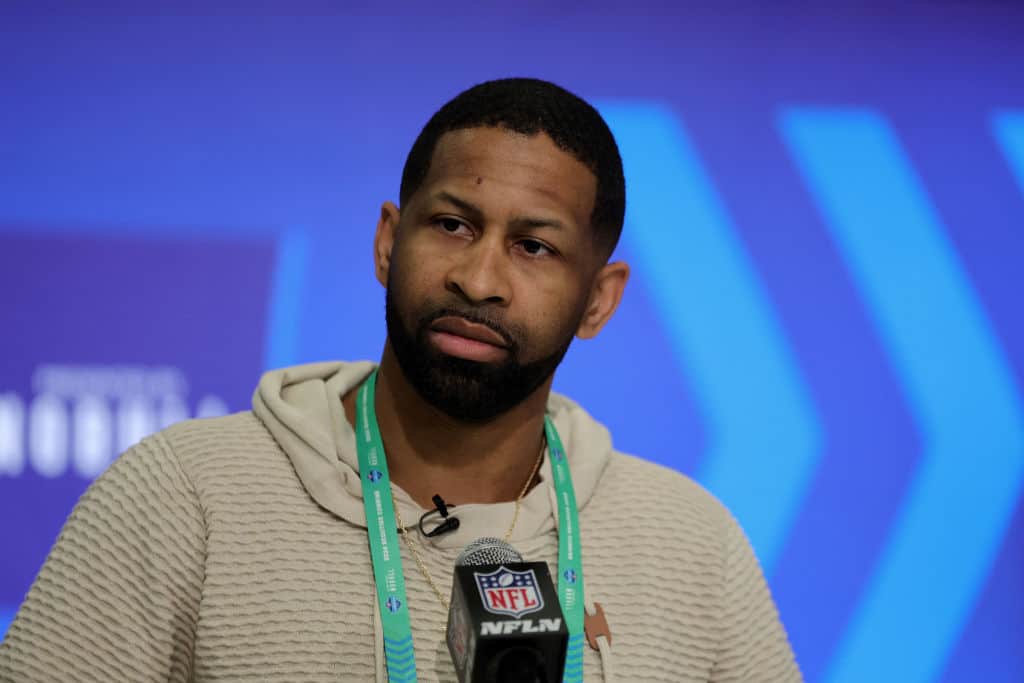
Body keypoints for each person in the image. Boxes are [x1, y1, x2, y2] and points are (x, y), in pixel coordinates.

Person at [0, 78, 801, 682]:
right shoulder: (185, 493)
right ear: (389, 241)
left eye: (535, 246)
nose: (480, 278)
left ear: (599, 298)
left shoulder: (694, 544)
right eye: (452, 224)